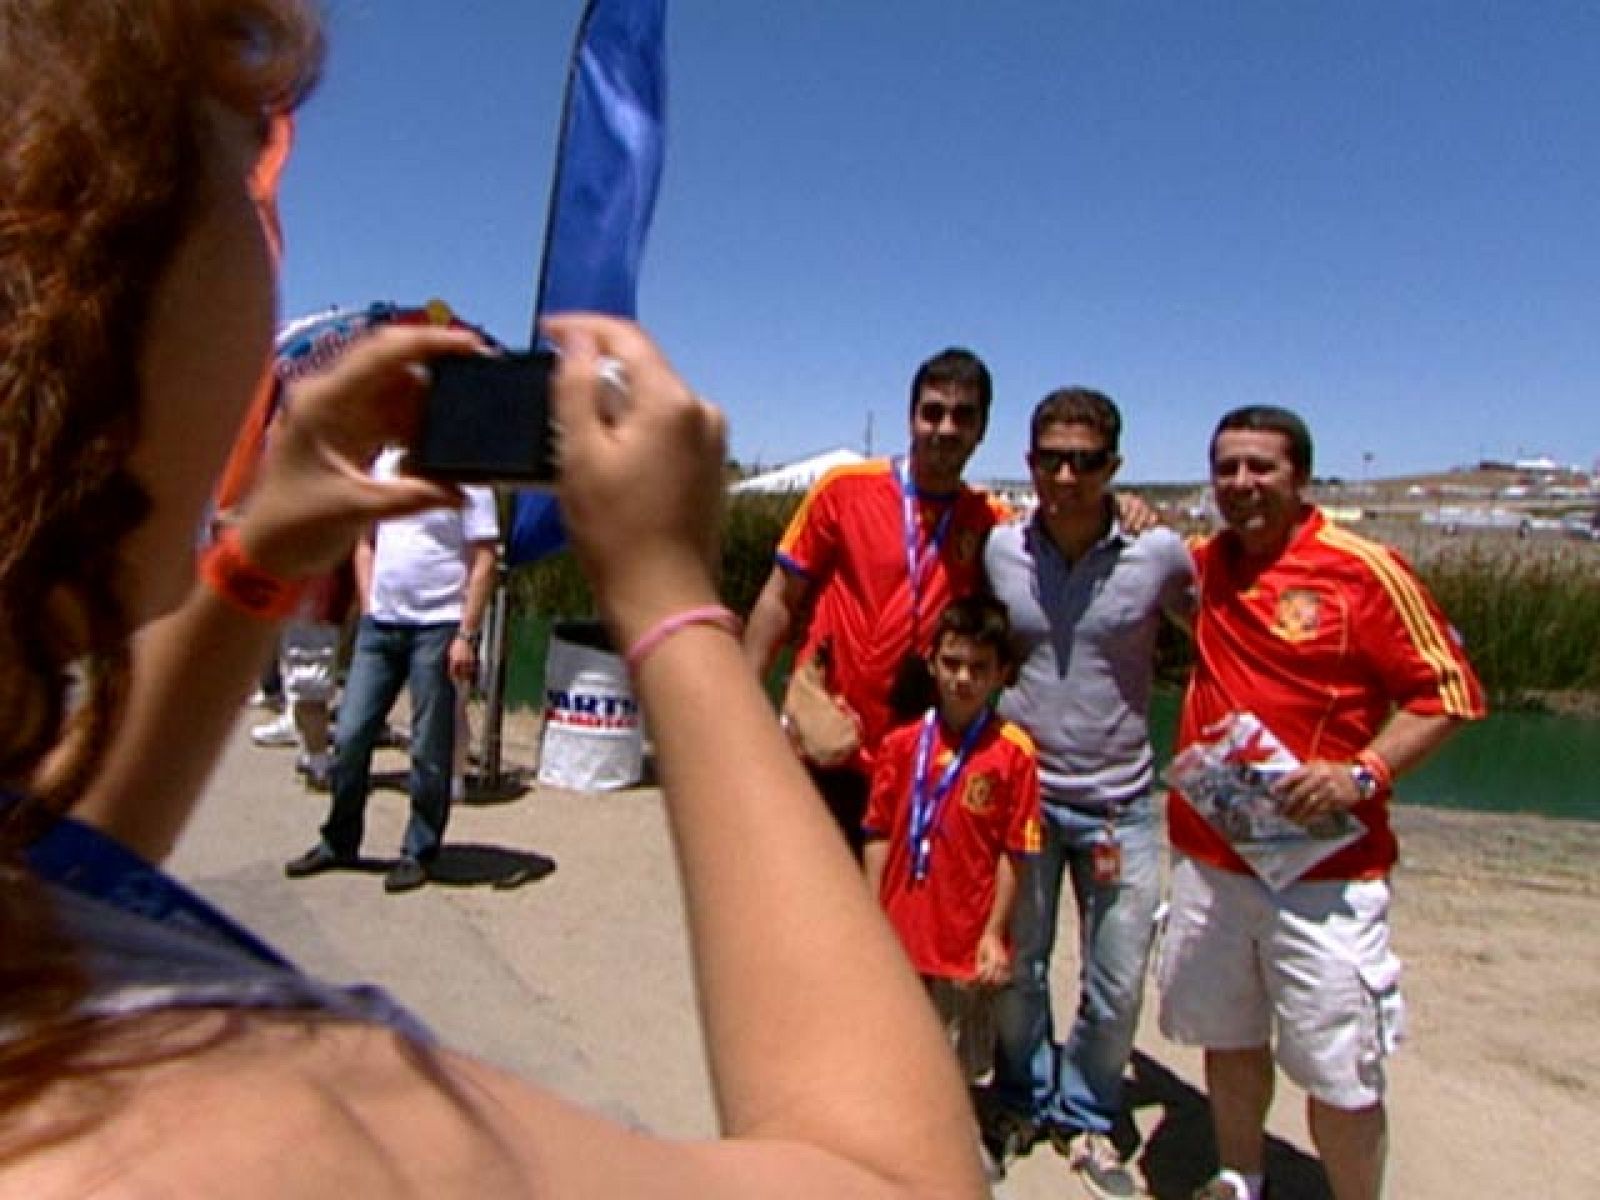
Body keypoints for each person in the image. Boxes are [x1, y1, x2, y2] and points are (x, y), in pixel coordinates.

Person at [0, 4, 990, 1196]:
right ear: (88, 283)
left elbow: (67, 869)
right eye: (247, 185)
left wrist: (267, 546)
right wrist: (673, 599)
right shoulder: (238, 1122)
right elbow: (895, 1179)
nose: (272, 241)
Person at [1158, 406, 1486, 1200]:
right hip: (1213, 860)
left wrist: (1362, 773)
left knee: (1341, 1071)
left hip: (1325, 876)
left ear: (1299, 476)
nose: (1243, 484)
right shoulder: (1204, 565)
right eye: (1228, 468)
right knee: (1229, 1035)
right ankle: (1241, 1176)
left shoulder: (1363, 567)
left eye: (1261, 467)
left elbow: (1451, 691)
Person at [982, 388, 1194, 1195]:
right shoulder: (1001, 548)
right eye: (1050, 459)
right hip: (1023, 797)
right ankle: (1022, 1099)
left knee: (1115, 978)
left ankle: (1091, 1113)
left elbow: (1217, 634)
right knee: (1019, 964)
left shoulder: (1159, 553)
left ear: (1115, 467)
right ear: (1031, 461)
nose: (1065, 475)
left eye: (1085, 461)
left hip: (1121, 806)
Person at [743, 348, 1003, 855]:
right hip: (827, 738)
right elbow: (779, 598)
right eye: (933, 412)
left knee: (894, 916)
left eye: (963, 415)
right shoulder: (845, 491)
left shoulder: (989, 521)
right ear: (911, 418)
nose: (946, 428)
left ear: (982, 428)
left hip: (920, 755)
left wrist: (1124, 510)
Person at [283, 447, 497, 892]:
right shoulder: (384, 465)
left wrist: (466, 634)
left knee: (428, 746)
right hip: (381, 625)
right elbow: (366, 541)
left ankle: (419, 849)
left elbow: (484, 560)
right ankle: (339, 839)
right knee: (351, 733)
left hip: (437, 625)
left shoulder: (469, 474)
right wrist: (368, 603)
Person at [863, 595, 1041, 1084]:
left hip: (965, 941)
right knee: (894, 1044)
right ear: (932, 663)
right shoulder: (900, 745)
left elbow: (1015, 853)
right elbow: (877, 831)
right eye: (952, 664)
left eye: (979, 668)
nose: (963, 679)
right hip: (901, 929)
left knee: (957, 1064)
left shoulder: (1014, 754)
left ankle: (959, 1147)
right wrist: (870, 911)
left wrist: (993, 934)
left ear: (1002, 673)